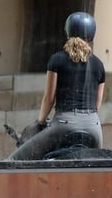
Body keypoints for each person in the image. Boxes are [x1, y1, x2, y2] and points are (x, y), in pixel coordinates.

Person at [8, 11, 105, 160]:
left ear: (68, 32)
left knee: (14, 161)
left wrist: (40, 122)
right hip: (94, 129)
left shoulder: (57, 60)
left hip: (64, 125)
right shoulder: (99, 65)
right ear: (91, 36)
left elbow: (49, 98)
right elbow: (96, 107)